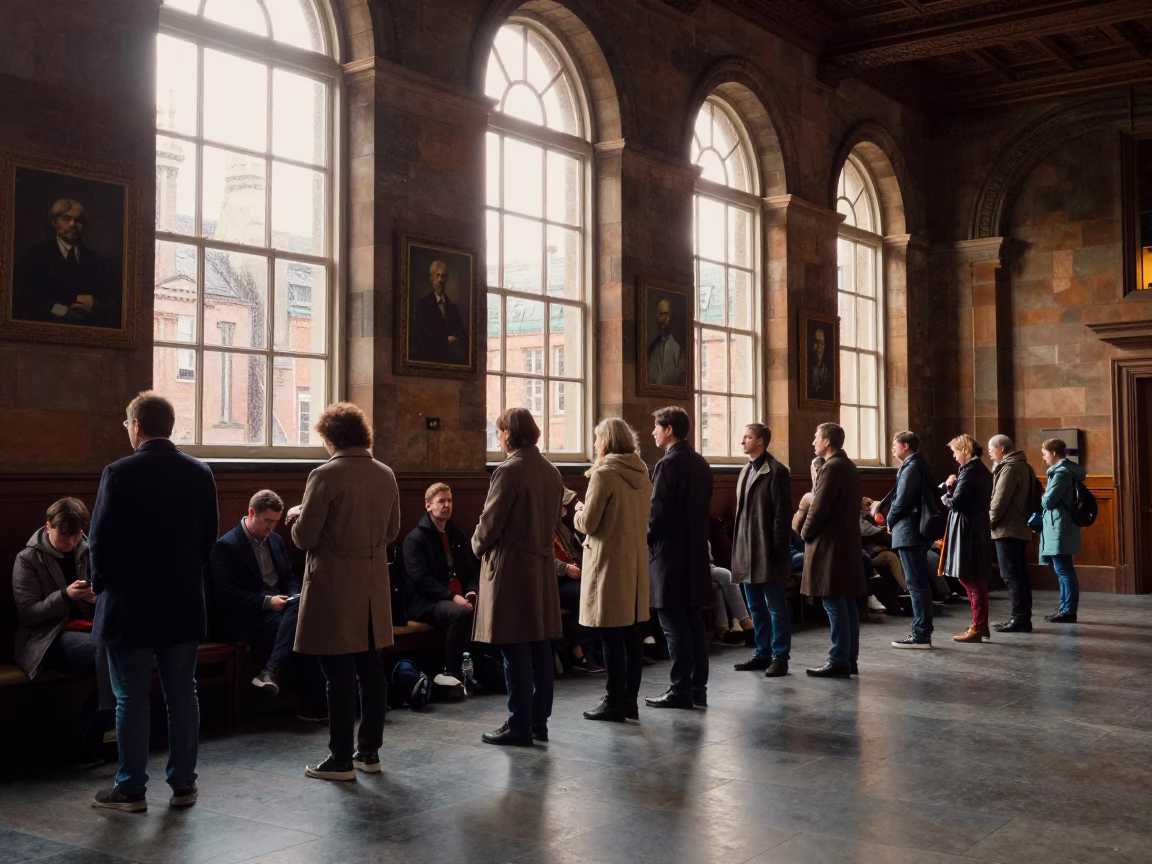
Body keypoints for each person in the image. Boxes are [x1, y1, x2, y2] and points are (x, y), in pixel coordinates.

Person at [88, 392, 219, 812]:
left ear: (137, 425)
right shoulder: (200, 472)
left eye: (127, 425)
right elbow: (207, 540)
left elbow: (102, 542)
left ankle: (130, 789)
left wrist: (100, 585)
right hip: (182, 603)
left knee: (130, 697)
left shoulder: (119, 472)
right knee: (183, 693)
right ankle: (184, 785)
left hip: (130, 606)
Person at [286, 402, 401, 780]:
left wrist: (297, 517)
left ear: (331, 437)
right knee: (371, 673)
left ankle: (338, 759)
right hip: (372, 586)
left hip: (335, 586)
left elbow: (305, 538)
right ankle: (368, 752)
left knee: (336, 674)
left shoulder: (324, 475)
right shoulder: (386, 474)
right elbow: (391, 532)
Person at [472, 407, 565, 746]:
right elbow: (555, 518)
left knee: (514, 649)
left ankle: (518, 723)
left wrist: (476, 546)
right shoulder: (551, 472)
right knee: (540, 645)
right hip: (540, 567)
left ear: (509, 433)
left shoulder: (508, 471)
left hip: (511, 568)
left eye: (499, 432)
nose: (498, 438)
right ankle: (538, 720)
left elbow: (491, 521)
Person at [12, 497, 115, 763]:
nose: (70, 541)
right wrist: (66, 596)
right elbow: (27, 614)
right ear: (48, 526)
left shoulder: (89, 549)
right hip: (46, 638)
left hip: (89, 629)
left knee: (120, 650)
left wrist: (97, 597)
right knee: (106, 652)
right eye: (64, 534)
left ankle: (95, 735)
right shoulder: (28, 559)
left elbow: (110, 591)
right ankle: (102, 733)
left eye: (77, 534)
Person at [209, 490, 325, 716]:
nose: (271, 528)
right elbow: (227, 594)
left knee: (302, 614)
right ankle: (314, 705)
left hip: (283, 610)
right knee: (303, 629)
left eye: (276, 522)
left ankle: (272, 671)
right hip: (249, 616)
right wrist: (266, 602)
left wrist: (294, 596)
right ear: (252, 513)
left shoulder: (275, 540)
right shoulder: (226, 546)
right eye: (267, 521)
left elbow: (289, 578)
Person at [573, 418, 652, 722]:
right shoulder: (643, 473)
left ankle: (613, 700)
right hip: (634, 562)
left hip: (607, 563)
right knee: (632, 635)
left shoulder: (604, 474)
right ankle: (629, 701)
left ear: (605, 441)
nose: (595, 446)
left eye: (597, 440)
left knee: (609, 634)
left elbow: (590, 524)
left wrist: (578, 512)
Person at [646, 406, 713, 709]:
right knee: (693, 622)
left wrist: (643, 538)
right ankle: (698, 687)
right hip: (695, 552)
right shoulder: (700, 462)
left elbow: (658, 513)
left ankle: (680, 690)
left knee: (672, 623)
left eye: (656, 427)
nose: (653, 432)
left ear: (669, 429)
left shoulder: (667, 465)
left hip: (670, 555)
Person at [799, 423, 864, 678]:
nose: (813, 442)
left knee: (834, 602)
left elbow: (819, 507)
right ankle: (849, 658)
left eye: (816, 438)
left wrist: (804, 532)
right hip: (845, 542)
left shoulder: (831, 467)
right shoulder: (847, 466)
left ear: (826, 441)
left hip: (830, 545)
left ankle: (839, 659)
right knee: (846, 602)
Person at [729, 423, 793, 678]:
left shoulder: (777, 471)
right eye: (743, 436)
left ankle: (780, 656)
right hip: (746, 550)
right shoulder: (745, 470)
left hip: (768, 552)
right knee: (755, 607)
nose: (743, 441)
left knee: (776, 607)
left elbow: (781, 516)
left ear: (761, 442)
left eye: (748, 437)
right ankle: (762, 651)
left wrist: (779, 553)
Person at [401, 482, 479, 680]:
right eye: (441, 501)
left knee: (489, 606)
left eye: (449, 501)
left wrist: (471, 591)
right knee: (459, 613)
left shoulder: (456, 532)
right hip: (426, 601)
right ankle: (453, 674)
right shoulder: (415, 538)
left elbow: (470, 570)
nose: (446, 505)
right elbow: (420, 579)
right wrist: (453, 596)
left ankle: (485, 670)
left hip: (457, 596)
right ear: (428, 506)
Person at [13, 198, 119, 327]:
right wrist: (63, 310)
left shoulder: (97, 261)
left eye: (78, 220)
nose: (73, 224)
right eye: (66, 219)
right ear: (54, 222)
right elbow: (24, 296)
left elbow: (112, 301)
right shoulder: (35, 255)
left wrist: (95, 304)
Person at [881, 430, 937, 650]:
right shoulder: (918, 465)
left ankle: (921, 634)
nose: (893, 448)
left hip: (909, 531)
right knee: (919, 582)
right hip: (915, 531)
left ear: (905, 445)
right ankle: (923, 630)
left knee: (915, 583)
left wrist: (890, 519)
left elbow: (902, 500)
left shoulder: (911, 468)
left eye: (895, 444)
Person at [940, 434, 994, 643]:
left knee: (970, 577)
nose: (954, 456)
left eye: (955, 451)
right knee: (971, 577)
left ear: (964, 450)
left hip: (968, 529)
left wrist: (946, 492)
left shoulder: (971, 471)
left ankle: (979, 625)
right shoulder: (976, 470)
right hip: (973, 527)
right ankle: (979, 624)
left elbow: (957, 502)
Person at [1034, 438, 1086, 624]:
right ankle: (1065, 607)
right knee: (1062, 568)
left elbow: (1048, 501)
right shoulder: (1064, 471)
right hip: (1060, 525)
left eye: (1045, 453)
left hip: (1059, 526)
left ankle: (1069, 610)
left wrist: (1043, 494)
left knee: (1063, 570)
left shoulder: (1061, 474)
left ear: (1054, 453)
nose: (1044, 457)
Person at [987, 435, 1035, 633]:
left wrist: (988, 523)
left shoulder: (1009, 468)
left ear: (1000, 448)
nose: (990, 454)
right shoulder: (1024, 466)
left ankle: (1019, 619)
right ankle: (1023, 617)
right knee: (1019, 575)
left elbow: (998, 502)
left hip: (1007, 529)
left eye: (991, 449)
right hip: (1020, 528)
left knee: (1011, 576)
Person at [553, 489, 601, 673]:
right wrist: (564, 568)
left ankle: (595, 651)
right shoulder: (538, 527)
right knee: (584, 594)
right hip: (554, 583)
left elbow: (575, 552)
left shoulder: (561, 527)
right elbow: (541, 559)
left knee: (596, 588)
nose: (563, 510)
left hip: (572, 578)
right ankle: (581, 652)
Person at [410, 260, 468, 364]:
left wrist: (457, 339)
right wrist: (446, 341)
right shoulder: (423, 306)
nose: (441, 280)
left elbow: (463, 336)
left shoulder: (452, 307)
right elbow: (420, 339)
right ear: (431, 279)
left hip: (451, 363)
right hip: (431, 362)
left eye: (443, 276)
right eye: (438, 276)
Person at [709, 547, 752, 643]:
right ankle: (741, 622)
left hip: (705, 566)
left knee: (719, 583)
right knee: (723, 577)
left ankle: (726, 628)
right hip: (688, 570)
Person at [647, 299, 686, 387]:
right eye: (660, 314)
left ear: (671, 317)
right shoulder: (653, 348)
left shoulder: (679, 349)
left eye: (666, 314)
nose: (663, 319)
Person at [808, 327, 831, 400]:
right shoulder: (806, 368)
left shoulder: (825, 370)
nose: (819, 347)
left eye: (822, 343)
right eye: (817, 342)